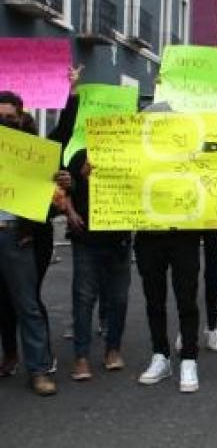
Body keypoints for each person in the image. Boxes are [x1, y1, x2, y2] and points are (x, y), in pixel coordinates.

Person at [134, 101, 203, 393]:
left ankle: (189, 358)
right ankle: (160, 355)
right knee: (153, 298)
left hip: (184, 232)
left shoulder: (191, 150)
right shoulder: (137, 152)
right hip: (149, 232)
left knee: (186, 298)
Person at [0, 91, 58, 395]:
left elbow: (46, 198)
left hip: (14, 234)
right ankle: (9, 356)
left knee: (27, 305)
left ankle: (39, 370)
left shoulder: (33, 152)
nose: (4, 121)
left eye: (10, 116)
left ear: (21, 117)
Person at [65, 150, 132, 381]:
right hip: (86, 238)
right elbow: (63, 189)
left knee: (119, 298)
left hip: (119, 239)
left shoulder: (131, 155)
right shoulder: (80, 157)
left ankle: (113, 349)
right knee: (83, 298)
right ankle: (81, 357)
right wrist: (71, 211)